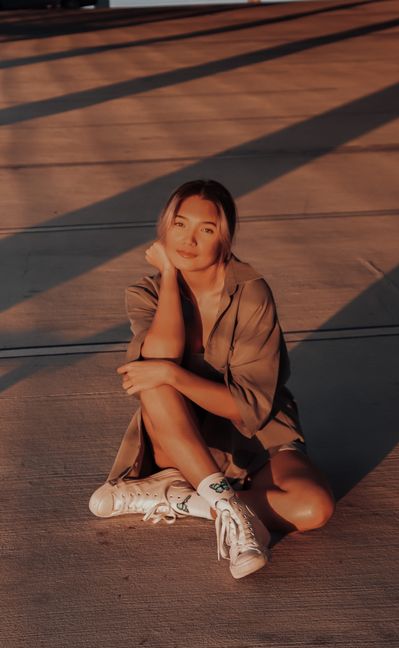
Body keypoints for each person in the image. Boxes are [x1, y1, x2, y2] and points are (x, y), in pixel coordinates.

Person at [89, 179, 335, 579]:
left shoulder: (251, 293)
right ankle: (228, 508)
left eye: (206, 230)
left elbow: (246, 407)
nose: (189, 240)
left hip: (256, 433)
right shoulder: (145, 292)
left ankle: (183, 499)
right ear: (164, 228)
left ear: (225, 238)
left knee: (314, 508)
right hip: (184, 439)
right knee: (153, 379)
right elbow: (159, 356)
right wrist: (169, 274)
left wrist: (173, 373)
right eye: (180, 225)